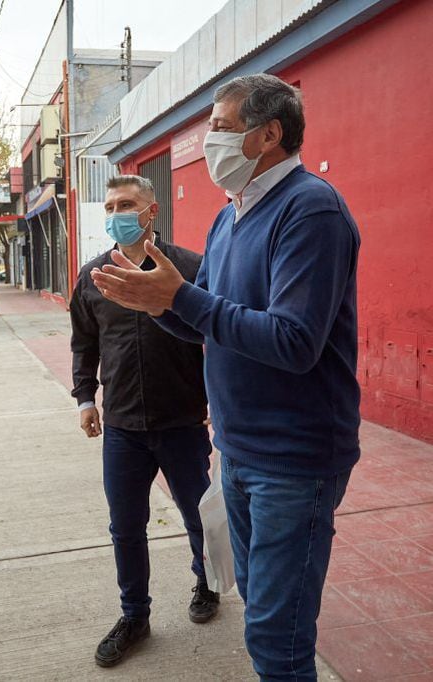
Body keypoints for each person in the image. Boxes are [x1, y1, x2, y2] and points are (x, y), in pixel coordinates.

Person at [91, 74, 360, 680]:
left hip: (294, 459)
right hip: (237, 452)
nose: (207, 138)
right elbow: (207, 324)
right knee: (259, 616)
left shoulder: (310, 209)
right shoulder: (228, 218)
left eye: (219, 126)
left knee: (278, 635)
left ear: (269, 134)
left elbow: (294, 342)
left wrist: (180, 299)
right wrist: (157, 304)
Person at [71, 175, 217, 668]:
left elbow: (216, 334)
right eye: (111, 205)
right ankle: (135, 615)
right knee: (126, 527)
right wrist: (84, 399)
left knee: (198, 515)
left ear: (151, 212)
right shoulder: (94, 277)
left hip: (182, 421)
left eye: (127, 203)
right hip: (123, 429)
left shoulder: (191, 268)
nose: (117, 212)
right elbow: (84, 343)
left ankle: (207, 583)